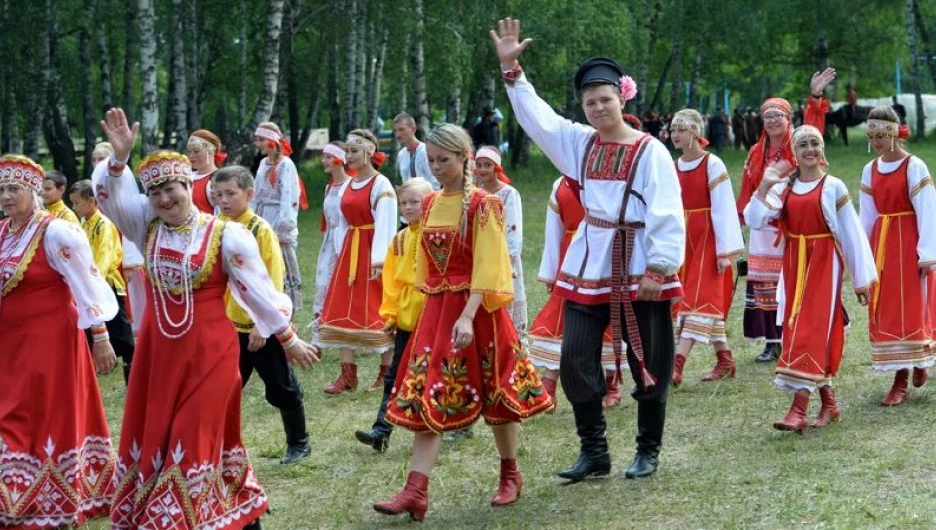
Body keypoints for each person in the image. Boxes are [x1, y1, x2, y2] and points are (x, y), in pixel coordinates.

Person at [95, 108, 320, 530]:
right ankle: (241, 513)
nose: (165, 199)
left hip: (210, 355)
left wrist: (288, 338)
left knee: (193, 433)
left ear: (190, 186)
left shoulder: (226, 235)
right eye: (155, 192)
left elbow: (258, 290)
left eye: (172, 189)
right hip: (159, 355)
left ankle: (180, 516)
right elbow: (109, 197)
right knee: (169, 433)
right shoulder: (146, 226)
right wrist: (119, 160)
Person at [494, 19, 686, 480]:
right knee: (575, 358)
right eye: (590, 102)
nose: (598, 108)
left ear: (623, 98)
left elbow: (667, 209)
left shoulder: (651, 151)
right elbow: (541, 120)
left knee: (649, 359)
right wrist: (513, 72)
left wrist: (658, 268)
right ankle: (594, 451)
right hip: (590, 262)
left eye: (605, 99)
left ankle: (647, 450)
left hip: (639, 261)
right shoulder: (581, 144)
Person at [375, 124, 552, 521]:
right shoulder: (430, 203)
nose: (437, 167)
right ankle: (415, 491)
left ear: (463, 158)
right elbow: (423, 264)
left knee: (496, 394)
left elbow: (490, 264)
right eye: (432, 160)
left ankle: (510, 474)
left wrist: (469, 315)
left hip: (478, 312)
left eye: (444, 160)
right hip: (438, 312)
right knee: (429, 392)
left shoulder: (483, 204)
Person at [0, 154, 119, 528]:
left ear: (33, 191)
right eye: (2, 189)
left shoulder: (56, 232)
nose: (5, 196)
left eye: (14, 188)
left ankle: (55, 494)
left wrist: (100, 337)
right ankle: (16, 493)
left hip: (50, 341)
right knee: (11, 413)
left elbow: (87, 285)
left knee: (47, 414)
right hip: (10, 343)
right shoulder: (2, 232)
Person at [744, 125, 876, 432]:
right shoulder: (785, 187)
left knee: (811, 328)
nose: (809, 149)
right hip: (794, 264)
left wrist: (861, 279)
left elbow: (852, 233)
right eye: (802, 145)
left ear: (822, 149)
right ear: (795, 151)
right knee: (800, 327)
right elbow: (754, 219)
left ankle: (798, 409)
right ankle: (829, 403)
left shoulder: (833, 186)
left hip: (824, 262)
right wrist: (764, 185)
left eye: (814, 143)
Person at [213, 164, 312, 464]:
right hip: (231, 326)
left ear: (249, 194)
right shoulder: (218, 228)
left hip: (262, 327)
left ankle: (299, 442)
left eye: (230, 193)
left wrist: (262, 324)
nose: (224, 200)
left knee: (280, 385)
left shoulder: (260, 230)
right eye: (218, 194)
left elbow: (273, 280)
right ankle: (218, 446)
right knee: (225, 386)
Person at [735, 69, 835, 362]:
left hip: (793, 221)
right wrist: (741, 218)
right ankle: (771, 341)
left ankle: (799, 334)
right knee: (764, 283)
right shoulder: (756, 151)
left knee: (793, 278)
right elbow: (747, 187)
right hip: (763, 226)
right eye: (767, 116)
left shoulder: (798, 146)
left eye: (778, 115)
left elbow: (813, 130)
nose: (772, 120)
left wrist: (815, 96)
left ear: (789, 119)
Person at [860, 106, 936, 406]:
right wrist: (862, 256)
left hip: (909, 243)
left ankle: (904, 375)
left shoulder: (914, 166)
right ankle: (910, 364)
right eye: (872, 136)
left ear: (894, 132)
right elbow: (866, 216)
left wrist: (927, 253)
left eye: (881, 135)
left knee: (910, 306)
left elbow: (928, 210)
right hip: (882, 246)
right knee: (887, 307)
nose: (876, 141)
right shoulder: (869, 170)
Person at [354, 177, 434, 453]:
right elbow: (391, 282)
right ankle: (381, 429)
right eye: (404, 203)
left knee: (439, 372)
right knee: (396, 373)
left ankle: (453, 423)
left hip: (434, 315)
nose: (408, 207)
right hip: (408, 317)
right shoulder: (399, 240)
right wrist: (391, 315)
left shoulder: (436, 235)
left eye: (415, 202)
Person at [527, 175, 619, 409]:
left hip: (605, 254)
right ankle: (549, 384)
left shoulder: (608, 176)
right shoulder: (560, 185)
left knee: (609, 317)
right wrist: (551, 273)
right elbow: (553, 231)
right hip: (571, 258)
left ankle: (611, 383)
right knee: (560, 318)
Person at [317, 129, 398, 393]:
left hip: (372, 251)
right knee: (342, 308)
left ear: (369, 153)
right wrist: (340, 251)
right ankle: (347, 375)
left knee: (377, 309)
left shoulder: (381, 184)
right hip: (350, 249)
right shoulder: (349, 184)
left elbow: (386, 224)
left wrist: (379, 261)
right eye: (348, 151)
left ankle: (386, 373)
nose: (349, 156)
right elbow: (343, 222)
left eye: (354, 151)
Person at [668, 109, 744, 386]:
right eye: (673, 130)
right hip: (683, 239)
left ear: (695, 132)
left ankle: (676, 365)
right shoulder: (673, 166)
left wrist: (725, 252)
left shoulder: (712, 164)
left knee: (698, 301)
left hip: (708, 238)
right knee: (698, 301)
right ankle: (725, 359)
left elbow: (723, 207)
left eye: (681, 130)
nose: (675, 135)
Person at [70, 179, 136, 385]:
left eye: (77, 203)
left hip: (107, 285)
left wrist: (89, 280)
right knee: (92, 332)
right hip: (91, 285)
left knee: (122, 334)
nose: (74, 208)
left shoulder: (103, 224)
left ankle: (135, 372)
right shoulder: (85, 223)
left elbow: (103, 259)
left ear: (91, 201)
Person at [92, 142, 147, 338]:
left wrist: (130, 260)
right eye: (94, 159)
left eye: (101, 158)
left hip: (121, 245)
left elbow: (130, 220)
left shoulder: (120, 183)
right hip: (102, 248)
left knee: (129, 297)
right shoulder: (94, 185)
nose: (97, 163)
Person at [474, 146, 527, 334]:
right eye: (479, 165)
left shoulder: (508, 193)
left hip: (502, 255)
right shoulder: (475, 193)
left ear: (496, 167)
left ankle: (510, 339)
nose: (482, 169)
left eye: (487, 165)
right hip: (481, 254)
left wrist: (509, 259)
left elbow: (513, 229)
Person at [252, 121, 304, 310]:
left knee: (282, 264)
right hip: (263, 217)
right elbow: (256, 195)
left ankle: (285, 307)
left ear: (272, 141)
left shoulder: (286, 164)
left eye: (261, 140)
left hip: (278, 218)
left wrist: (284, 226)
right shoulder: (262, 163)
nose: (258, 144)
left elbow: (289, 196)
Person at [312, 142, 351, 327]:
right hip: (330, 240)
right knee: (325, 279)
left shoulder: (350, 185)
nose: (324, 161)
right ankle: (324, 321)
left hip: (345, 239)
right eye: (323, 157)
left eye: (328, 157)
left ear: (340, 160)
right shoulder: (329, 188)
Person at [394, 112, 439, 189]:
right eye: (395, 131)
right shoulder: (401, 154)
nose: (398, 134)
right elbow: (405, 181)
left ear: (413, 129)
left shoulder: (425, 151)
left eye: (401, 129)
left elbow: (435, 182)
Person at [187, 128, 227, 213]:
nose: (191, 156)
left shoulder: (218, 180)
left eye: (196, 151)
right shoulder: (187, 176)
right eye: (189, 151)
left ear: (210, 152)